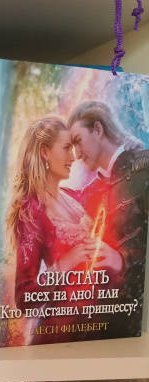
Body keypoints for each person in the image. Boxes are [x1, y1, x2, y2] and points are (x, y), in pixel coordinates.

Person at [6, 117, 123, 343]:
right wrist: (64, 263)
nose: (73, 157)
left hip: (96, 322)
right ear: (44, 152)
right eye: (67, 148)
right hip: (60, 332)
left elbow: (108, 184)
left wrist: (116, 259)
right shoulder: (31, 210)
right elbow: (23, 298)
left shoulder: (72, 196)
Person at [68, 101, 149, 336]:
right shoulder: (92, 193)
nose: (77, 154)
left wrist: (121, 260)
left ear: (98, 130)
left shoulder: (142, 169)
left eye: (78, 141)